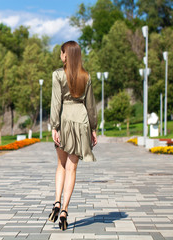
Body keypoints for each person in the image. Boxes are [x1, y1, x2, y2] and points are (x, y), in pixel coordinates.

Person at [48, 40, 98, 231]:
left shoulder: (58, 75)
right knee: (72, 168)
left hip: (64, 121)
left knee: (61, 165)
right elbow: (91, 105)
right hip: (82, 122)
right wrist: (93, 128)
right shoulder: (86, 76)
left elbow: (56, 102)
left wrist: (55, 126)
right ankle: (65, 211)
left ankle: (57, 202)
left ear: (65, 55)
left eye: (61, 53)